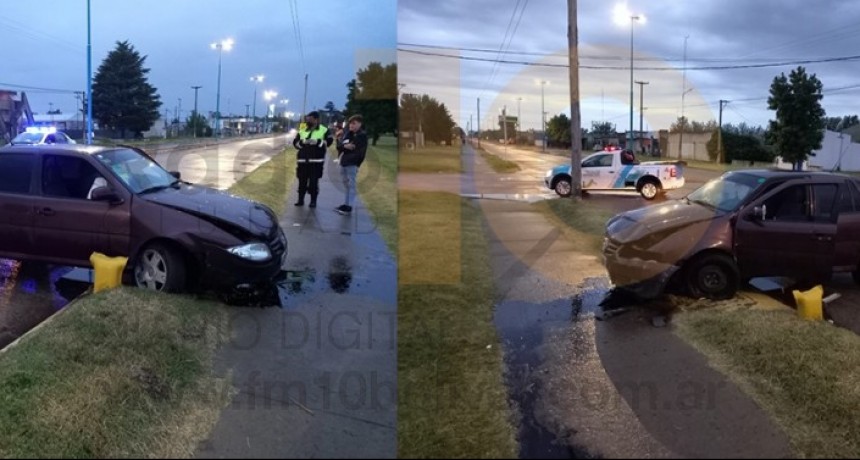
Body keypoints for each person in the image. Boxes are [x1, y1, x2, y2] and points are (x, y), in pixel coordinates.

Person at [292, 111, 333, 208]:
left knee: (313, 183)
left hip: (316, 162)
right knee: (302, 182)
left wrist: (318, 142)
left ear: (316, 119)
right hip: (303, 161)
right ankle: (300, 200)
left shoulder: (324, 130)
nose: (307, 121)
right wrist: (303, 142)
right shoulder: (302, 129)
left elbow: (329, 142)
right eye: (307, 119)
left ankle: (313, 201)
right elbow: (295, 143)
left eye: (309, 119)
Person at [335, 115, 368, 216]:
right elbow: (339, 147)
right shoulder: (348, 134)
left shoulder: (361, 135)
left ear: (360, 124)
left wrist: (344, 146)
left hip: (352, 163)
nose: (351, 125)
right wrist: (344, 146)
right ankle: (346, 204)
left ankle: (349, 207)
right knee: (346, 186)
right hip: (344, 162)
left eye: (354, 123)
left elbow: (355, 148)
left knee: (351, 185)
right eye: (350, 123)